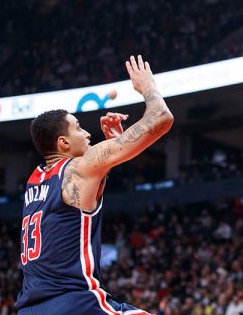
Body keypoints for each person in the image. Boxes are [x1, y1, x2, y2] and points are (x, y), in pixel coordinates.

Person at [15, 55, 174, 314]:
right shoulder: (78, 168)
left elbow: (83, 195)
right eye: (78, 128)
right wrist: (147, 86)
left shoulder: (35, 182)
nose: (88, 133)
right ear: (63, 143)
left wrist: (110, 157)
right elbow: (161, 119)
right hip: (75, 303)